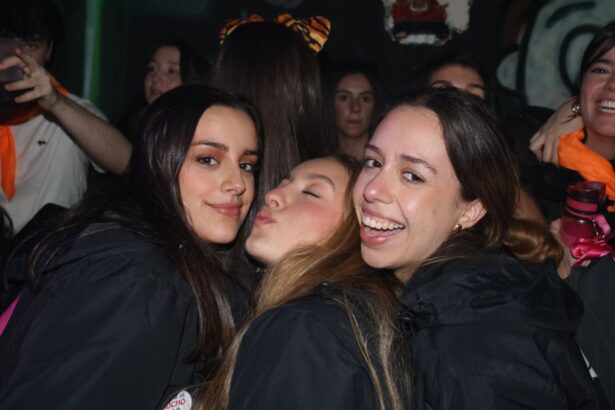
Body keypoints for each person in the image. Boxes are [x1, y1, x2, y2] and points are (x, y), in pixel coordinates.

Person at [0, 84, 261, 409]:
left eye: (247, 165)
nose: (237, 184)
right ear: (159, 159)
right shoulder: (140, 279)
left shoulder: (160, 259)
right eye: (208, 159)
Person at [353, 88, 606, 409]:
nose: (372, 189)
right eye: (373, 161)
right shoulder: (468, 296)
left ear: (471, 210)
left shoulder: (474, 353)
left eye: (412, 176)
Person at [188, 155, 412, 410]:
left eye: (311, 193)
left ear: (353, 231)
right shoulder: (346, 323)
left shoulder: (305, 327)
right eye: (282, 184)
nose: (272, 195)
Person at [0, 0, 132, 233]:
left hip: (52, 249)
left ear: (49, 50)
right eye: (7, 43)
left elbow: (127, 162)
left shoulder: (70, 111)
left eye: (30, 46)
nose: (18, 56)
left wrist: (56, 103)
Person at [118, 38, 210, 141]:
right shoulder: (126, 128)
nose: (155, 78)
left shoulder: (202, 131)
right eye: (152, 68)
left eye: (171, 71)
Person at [326, 61, 381, 160]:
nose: (355, 108)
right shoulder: (316, 162)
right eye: (344, 98)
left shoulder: (385, 160)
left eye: (365, 99)